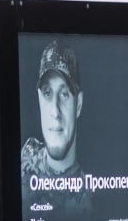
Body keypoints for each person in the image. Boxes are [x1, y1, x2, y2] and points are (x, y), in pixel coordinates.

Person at [21, 39, 83, 180]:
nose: (55, 112)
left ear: (78, 104)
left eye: (64, 94)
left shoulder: (89, 195)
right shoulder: (27, 154)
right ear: (39, 99)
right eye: (47, 93)